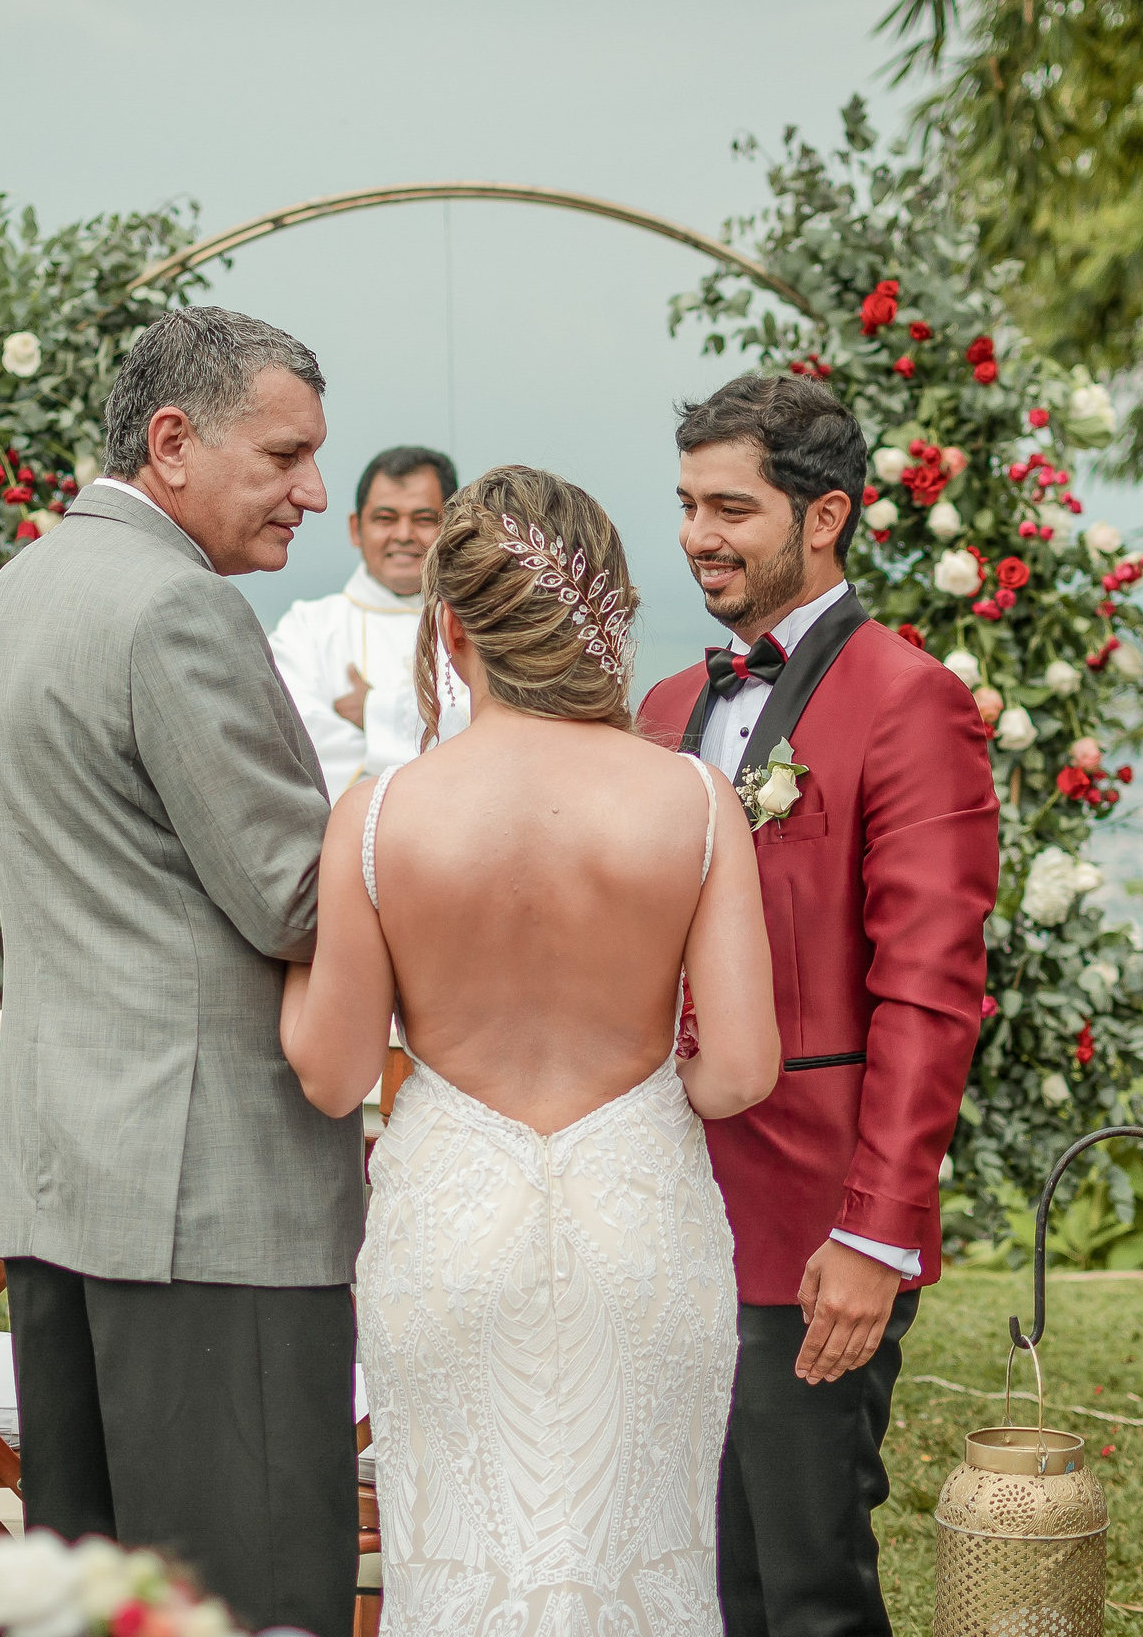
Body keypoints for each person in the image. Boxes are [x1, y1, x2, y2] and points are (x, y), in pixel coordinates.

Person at [281, 464, 782, 1637]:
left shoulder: (379, 813)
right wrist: (661, 1094)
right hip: (639, 1225)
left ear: (450, 629)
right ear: (601, 619)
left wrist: (292, 949)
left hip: (449, 1234)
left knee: (459, 1572)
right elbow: (744, 1069)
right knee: (642, 1573)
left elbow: (333, 1073)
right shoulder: (696, 800)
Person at [0, 308, 358, 1637]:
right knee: (243, 1597)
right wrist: (400, 808)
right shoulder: (178, 608)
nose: (313, 491)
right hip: (210, 1199)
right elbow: (296, 897)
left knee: (92, 1600)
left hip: (71, 1175)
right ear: (175, 442)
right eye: (287, 455)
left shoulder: (26, 585)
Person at [638, 376, 997, 1637]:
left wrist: (876, 1232)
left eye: (729, 507)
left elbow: (931, 989)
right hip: (661, 1207)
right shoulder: (665, 711)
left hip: (813, 1222)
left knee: (803, 1582)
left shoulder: (909, 700)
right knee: (690, 1569)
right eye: (685, 504)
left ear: (826, 515)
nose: (696, 534)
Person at [269, 445, 471, 794]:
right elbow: (297, 740)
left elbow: (503, 728)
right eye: (385, 518)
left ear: (451, 529)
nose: (404, 535)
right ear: (355, 529)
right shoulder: (307, 628)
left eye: (423, 519)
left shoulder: (482, 625)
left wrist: (374, 713)